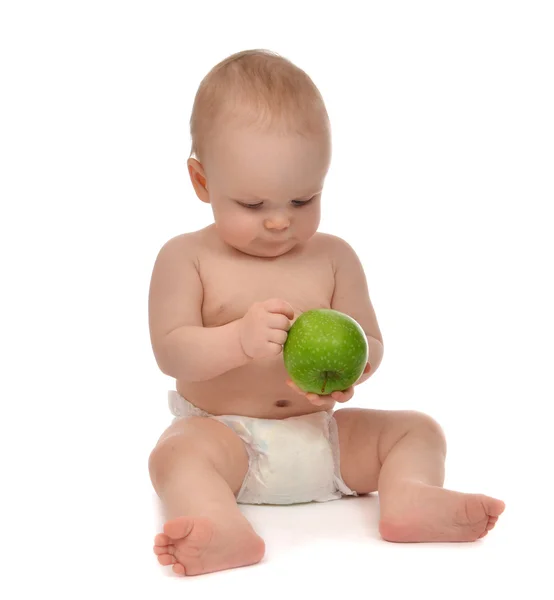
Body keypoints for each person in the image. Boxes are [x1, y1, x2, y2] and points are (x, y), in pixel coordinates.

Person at [147, 49, 505, 577]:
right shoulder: (187, 257)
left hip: (324, 438)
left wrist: (355, 371)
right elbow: (170, 349)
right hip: (228, 444)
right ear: (202, 183)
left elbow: (372, 342)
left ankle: (410, 496)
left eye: (302, 200)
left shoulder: (334, 257)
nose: (278, 222)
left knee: (418, 429)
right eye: (253, 204)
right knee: (175, 454)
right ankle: (220, 525)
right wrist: (237, 341)